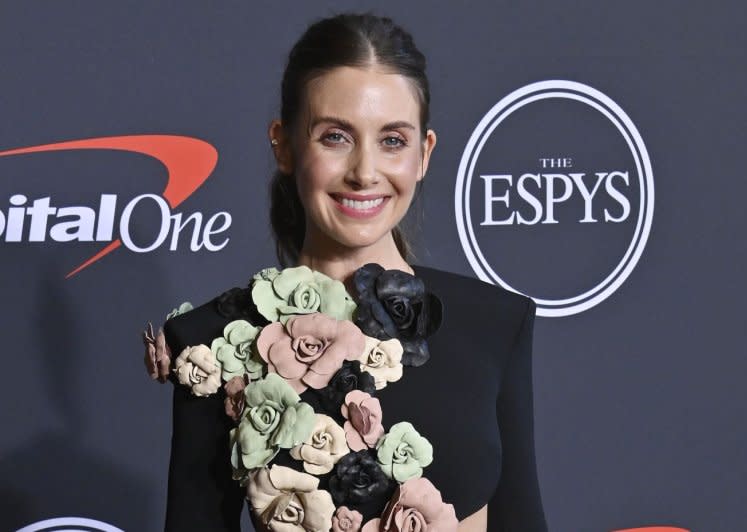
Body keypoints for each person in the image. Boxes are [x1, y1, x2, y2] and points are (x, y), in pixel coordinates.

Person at [148, 13, 547, 532]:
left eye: (392, 140)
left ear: (424, 153)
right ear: (284, 145)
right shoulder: (211, 345)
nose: (364, 171)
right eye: (336, 137)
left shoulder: (496, 323)